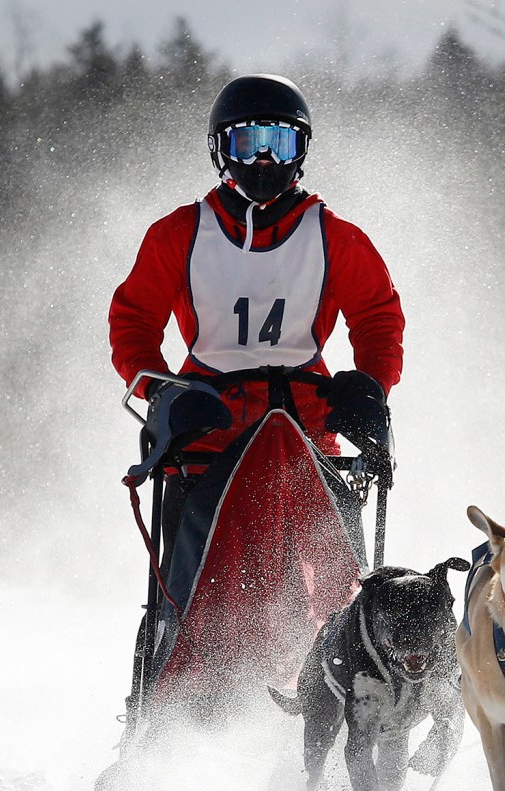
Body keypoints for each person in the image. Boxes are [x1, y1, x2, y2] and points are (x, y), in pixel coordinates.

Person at [106, 74, 405, 732]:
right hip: (207, 437)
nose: (264, 158)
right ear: (222, 149)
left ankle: (345, 685)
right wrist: (163, 393)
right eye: (248, 141)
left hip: (306, 436)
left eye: (280, 141)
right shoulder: (180, 234)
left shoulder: (335, 237)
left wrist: (369, 386)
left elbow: (379, 318)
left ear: (302, 150)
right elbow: (133, 322)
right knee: (184, 585)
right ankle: (165, 708)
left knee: (335, 583)